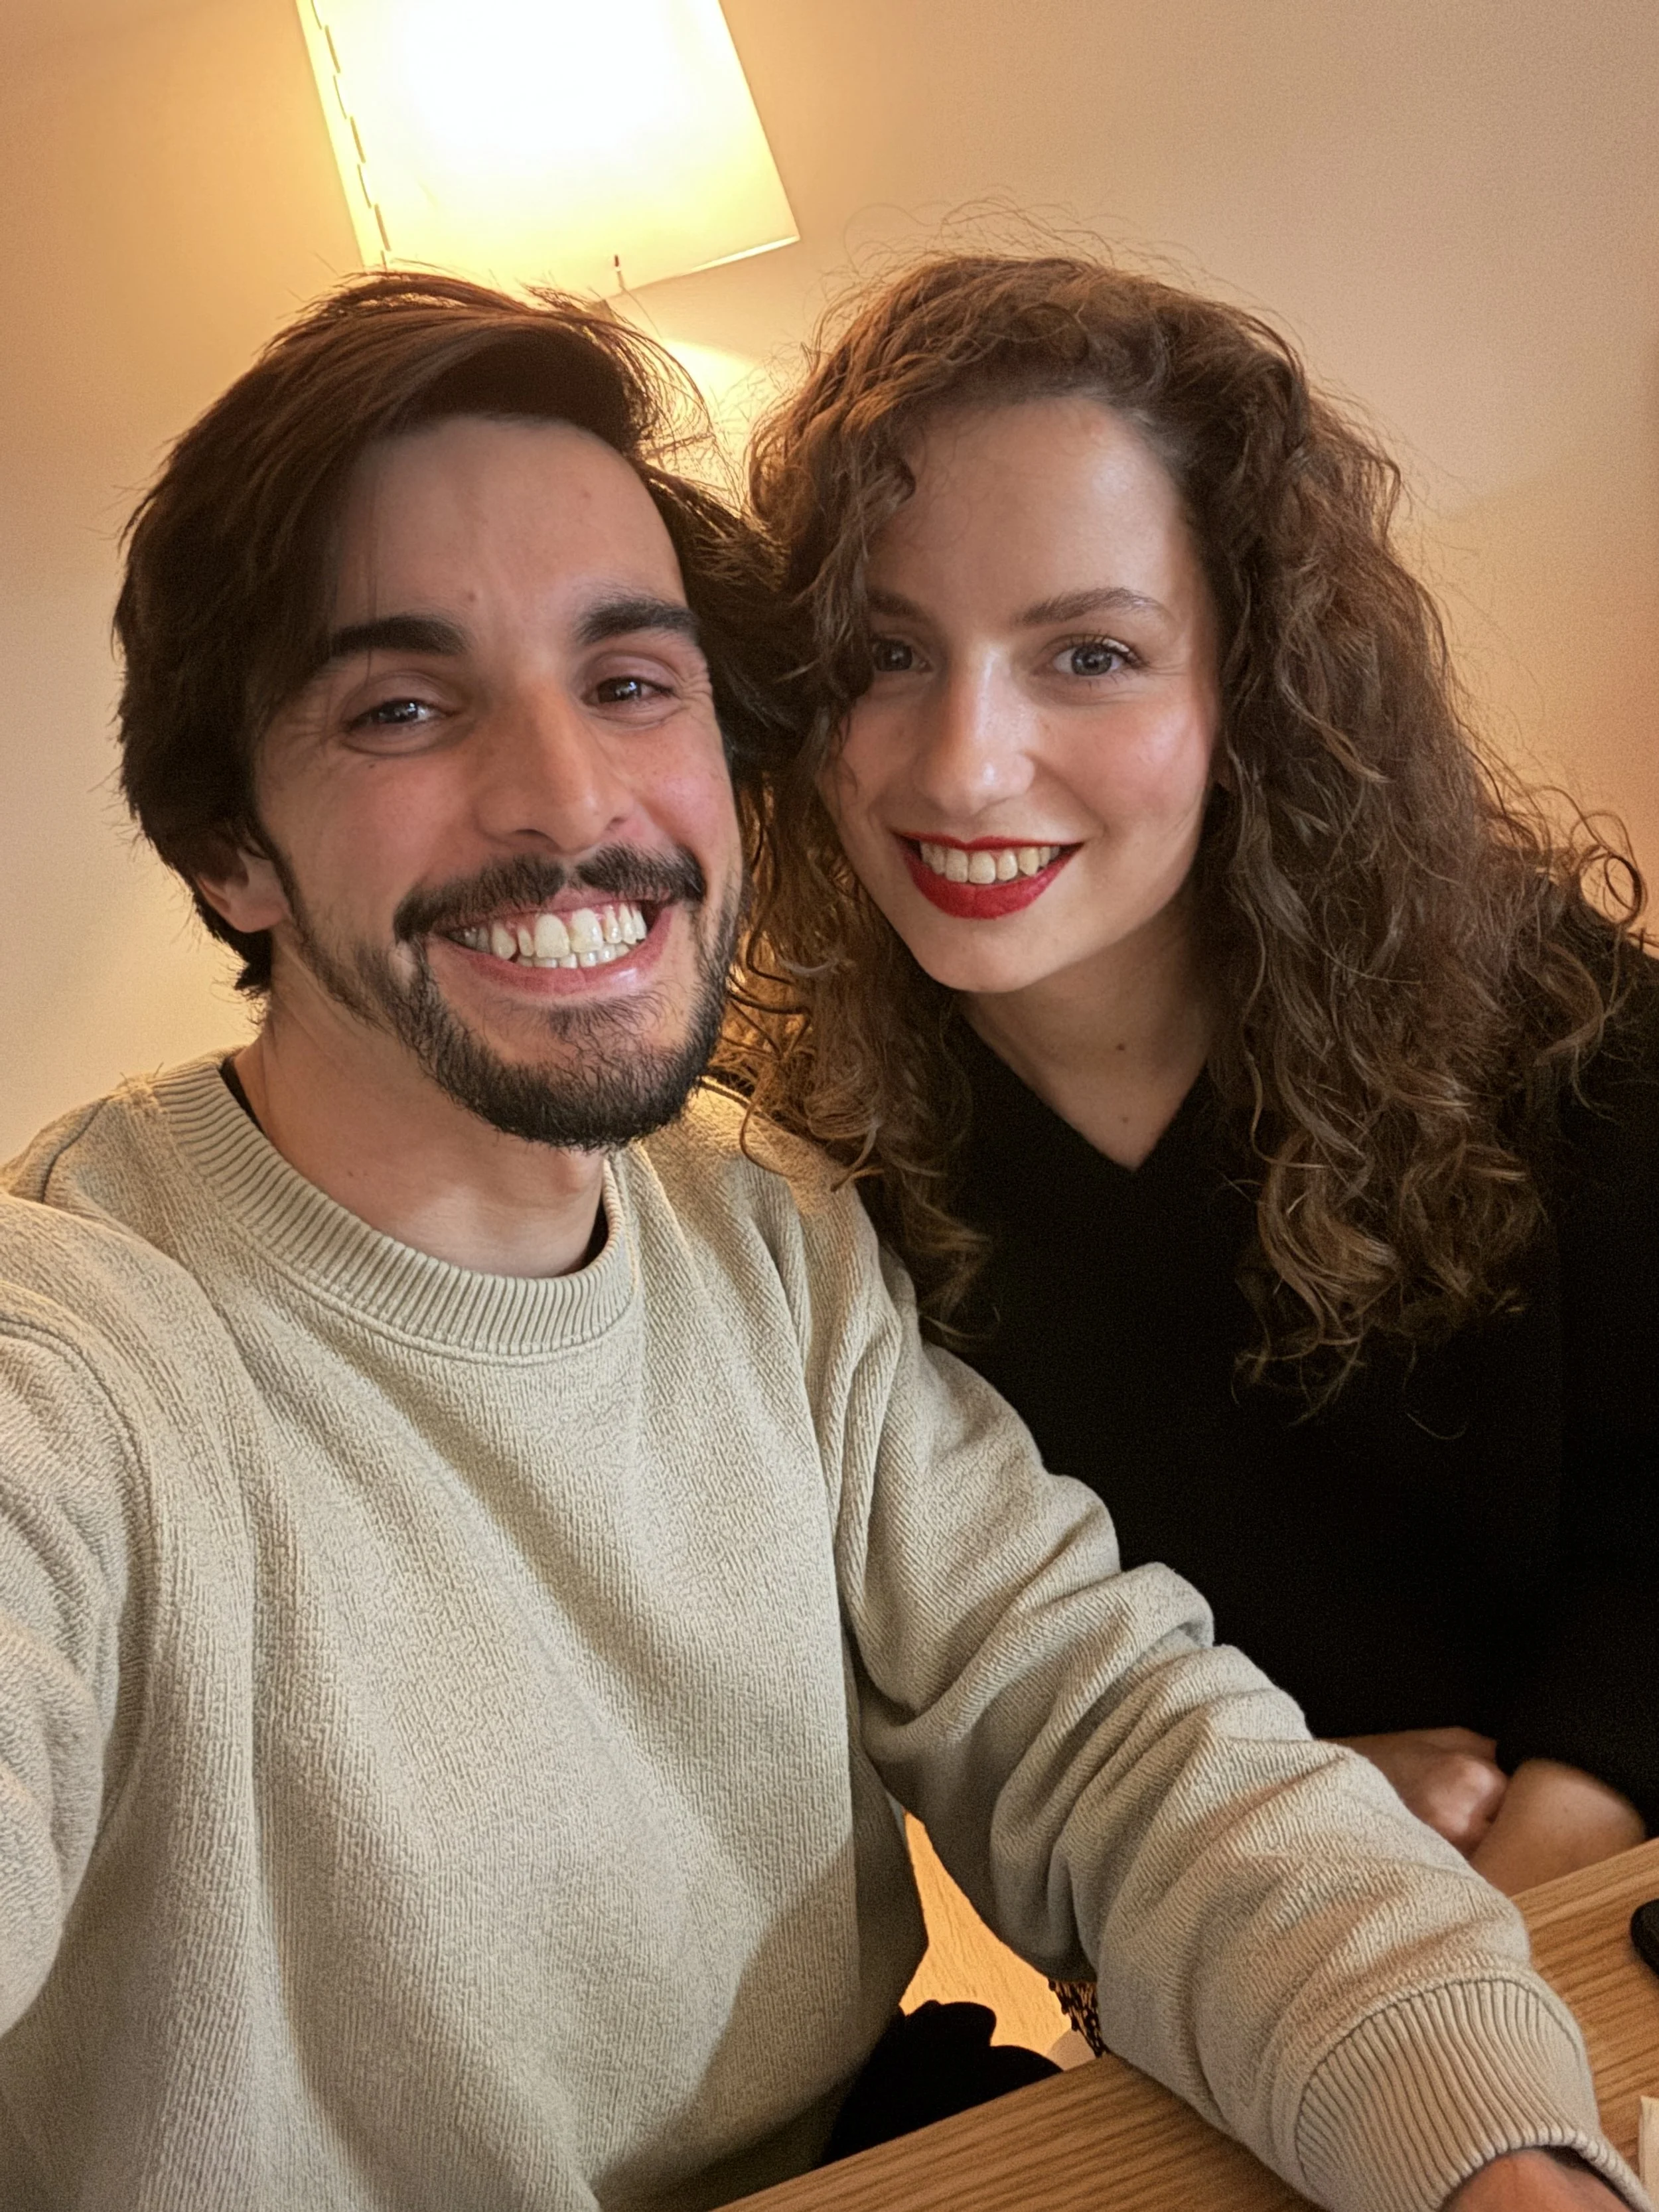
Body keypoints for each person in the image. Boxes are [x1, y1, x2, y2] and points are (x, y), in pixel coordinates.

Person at [0, 272, 1638, 2212]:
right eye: (406, 705)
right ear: (224, 843)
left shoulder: (762, 1238)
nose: (573, 796)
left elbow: (1113, 1737)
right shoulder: (86, 1343)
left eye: (628, 678)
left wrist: (1496, 2156)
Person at [735, 252, 1657, 1901]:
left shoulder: (1555, 1027)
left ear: (1250, 682)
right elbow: (947, 1728)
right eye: (883, 654)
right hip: (1222, 1953)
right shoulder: (799, 1184)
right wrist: (1258, 1816)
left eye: (1085, 654)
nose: (961, 763)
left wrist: (1543, 1852)